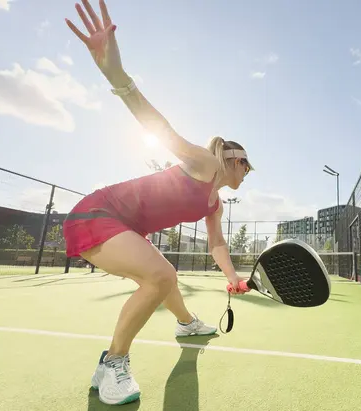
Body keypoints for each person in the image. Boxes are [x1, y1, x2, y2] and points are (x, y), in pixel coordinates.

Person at [63, 0, 253, 405]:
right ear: (232, 159)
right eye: (246, 164)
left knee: (163, 272)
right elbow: (161, 129)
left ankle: (186, 323)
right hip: (97, 214)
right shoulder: (204, 163)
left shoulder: (213, 203)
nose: (248, 171)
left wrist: (233, 276)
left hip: (124, 226)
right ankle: (112, 363)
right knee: (162, 276)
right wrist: (116, 75)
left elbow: (217, 245)